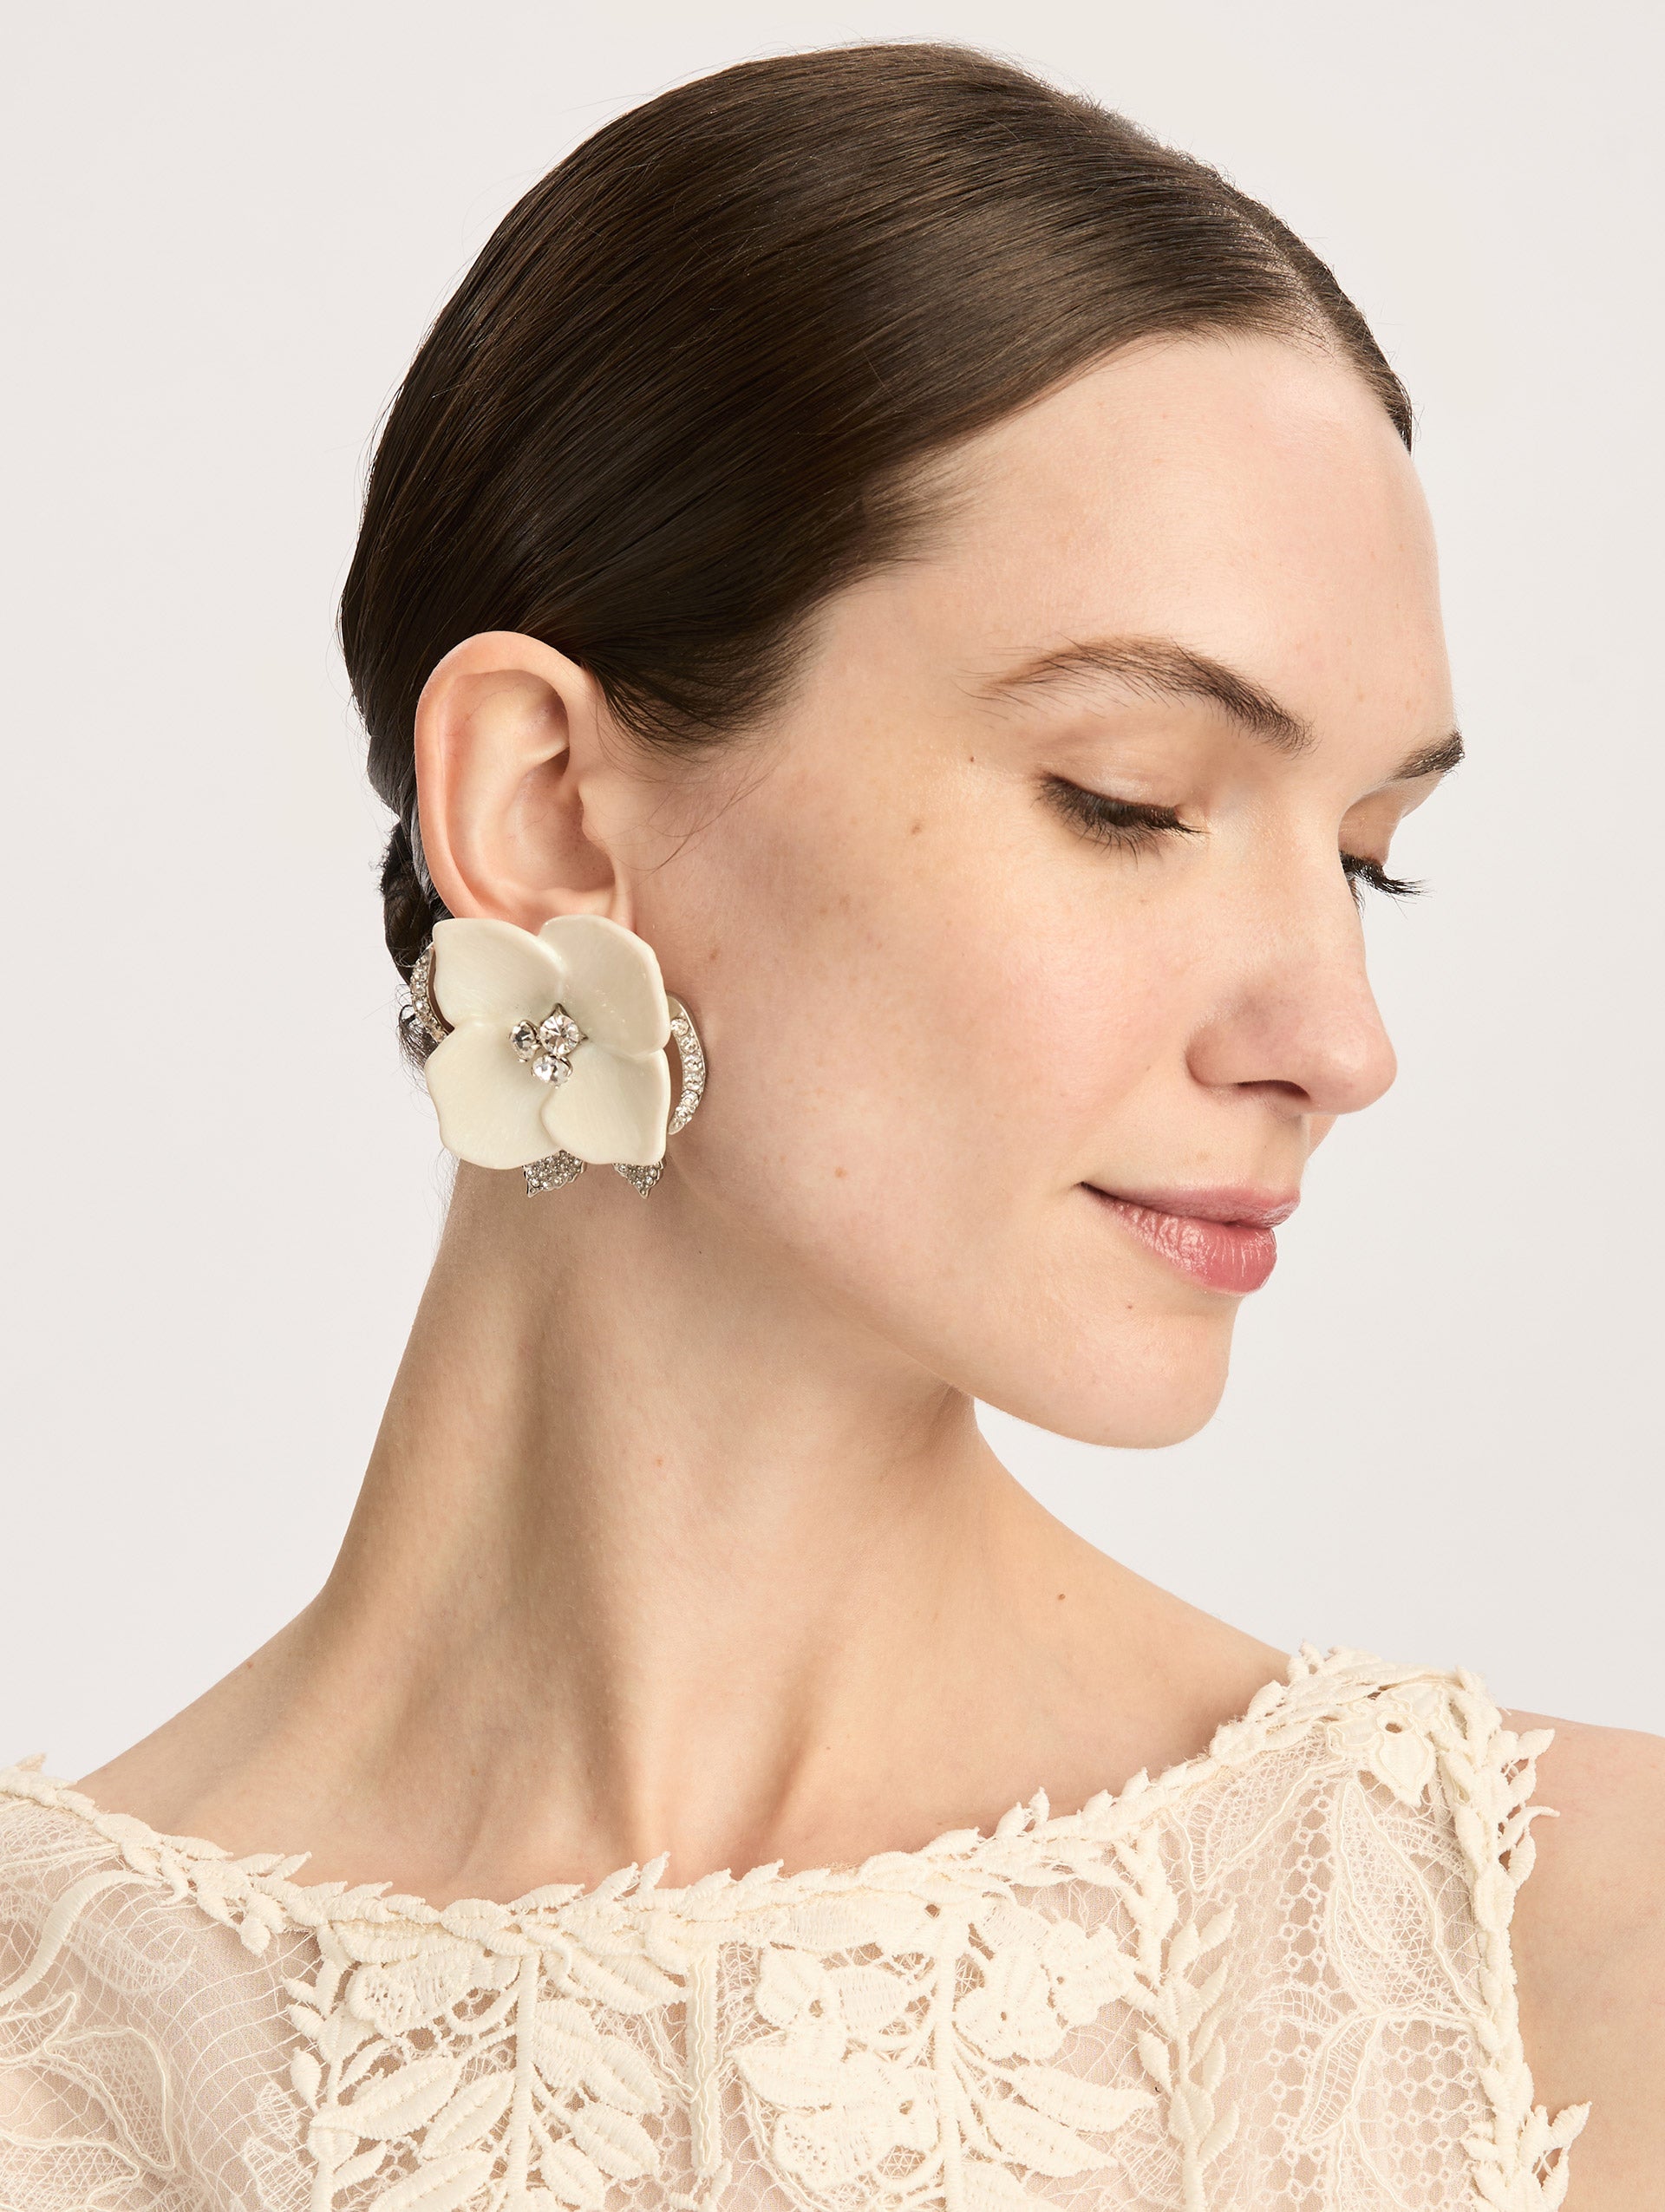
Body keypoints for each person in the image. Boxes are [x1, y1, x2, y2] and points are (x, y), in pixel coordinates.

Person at [2, 41, 1659, 2212]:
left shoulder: (1545, 1972)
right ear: (547, 807)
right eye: (1131, 800)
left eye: (1366, 860)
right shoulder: (47, 2077)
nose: (1342, 1041)